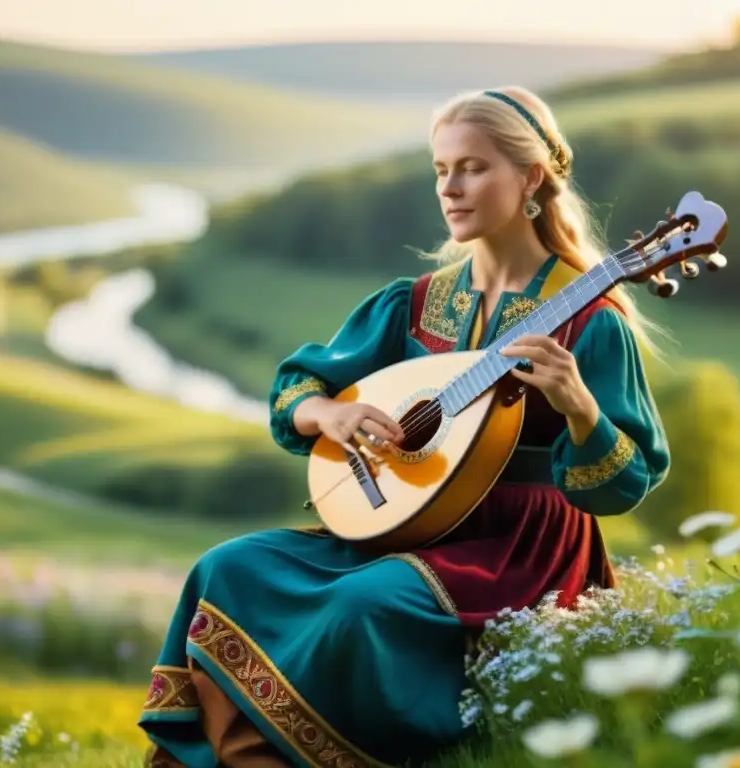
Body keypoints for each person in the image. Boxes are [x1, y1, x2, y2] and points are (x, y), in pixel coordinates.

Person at [139, 85, 671, 768]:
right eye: (441, 169)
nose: (450, 187)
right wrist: (331, 413)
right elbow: (296, 389)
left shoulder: (590, 321)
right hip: (404, 519)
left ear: (531, 176)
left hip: (518, 547)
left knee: (364, 603)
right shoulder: (413, 303)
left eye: (473, 167)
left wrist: (579, 406)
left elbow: (625, 486)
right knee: (227, 568)